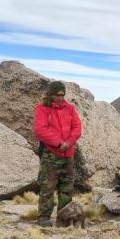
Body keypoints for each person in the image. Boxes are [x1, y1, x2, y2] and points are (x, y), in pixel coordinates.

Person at [33, 81, 82, 227]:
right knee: (48, 186)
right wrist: (59, 143)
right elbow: (40, 130)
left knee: (67, 187)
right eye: (57, 95)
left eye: (62, 95)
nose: (60, 98)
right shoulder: (42, 109)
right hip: (51, 154)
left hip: (68, 153)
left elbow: (77, 127)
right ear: (50, 94)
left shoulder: (70, 109)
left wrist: (69, 141)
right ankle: (43, 217)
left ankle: (64, 217)